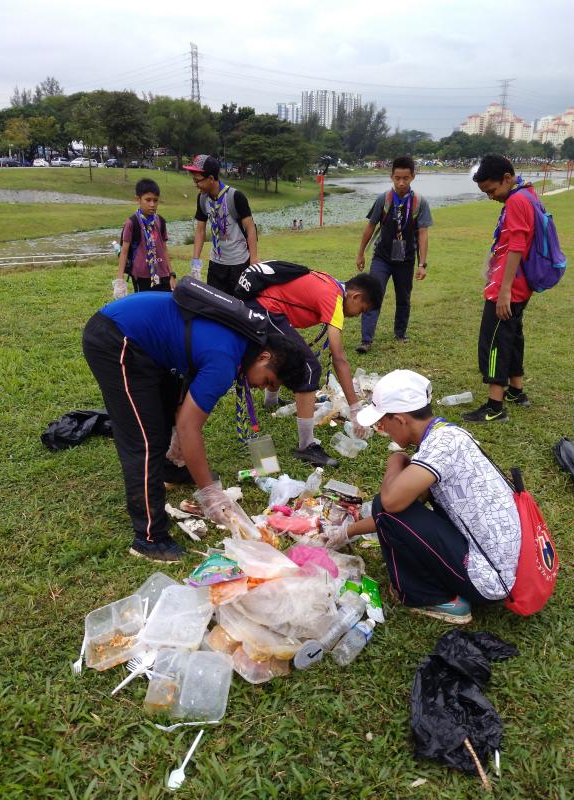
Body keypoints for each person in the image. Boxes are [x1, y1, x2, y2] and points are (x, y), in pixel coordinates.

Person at [82, 291, 305, 563]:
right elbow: (190, 427)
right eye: (268, 380)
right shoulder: (225, 358)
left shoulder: (242, 346)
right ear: (264, 357)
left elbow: (188, 403)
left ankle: (171, 471)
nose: (262, 388)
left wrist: (179, 434)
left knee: (163, 417)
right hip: (117, 338)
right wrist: (210, 494)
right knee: (145, 441)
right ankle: (149, 538)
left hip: (150, 346)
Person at [324, 370, 522, 624]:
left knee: (383, 504)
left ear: (400, 419)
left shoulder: (438, 450)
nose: (381, 429)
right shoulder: (446, 433)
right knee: (389, 507)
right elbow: (404, 513)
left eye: (382, 423)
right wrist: (347, 531)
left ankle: (431, 597)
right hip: (498, 565)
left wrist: (395, 460)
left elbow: (390, 505)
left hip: (489, 579)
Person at [248, 269, 383, 467]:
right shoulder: (335, 298)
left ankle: (271, 401)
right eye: (361, 310)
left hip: (265, 307)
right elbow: (339, 358)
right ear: (356, 296)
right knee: (308, 367)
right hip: (266, 309)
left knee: (286, 352)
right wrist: (355, 410)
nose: (357, 315)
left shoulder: (333, 285)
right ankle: (306, 446)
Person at [462, 154, 536, 423]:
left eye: (492, 190)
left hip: (508, 286)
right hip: (520, 283)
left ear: (507, 178)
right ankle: (517, 391)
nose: (491, 196)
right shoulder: (527, 193)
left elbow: (517, 245)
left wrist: (504, 291)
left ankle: (495, 406)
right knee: (513, 336)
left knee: (493, 341)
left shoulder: (516, 201)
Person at [355, 156, 433, 350]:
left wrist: (422, 264)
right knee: (373, 294)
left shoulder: (419, 202)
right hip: (382, 257)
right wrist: (360, 253)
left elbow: (423, 234)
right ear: (391, 177)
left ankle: (400, 334)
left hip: (406, 259)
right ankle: (366, 340)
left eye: (405, 178)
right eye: (397, 178)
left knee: (403, 297)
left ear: (413, 177)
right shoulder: (384, 199)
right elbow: (370, 227)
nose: (401, 183)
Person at [184, 154, 258, 295]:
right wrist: (195, 261)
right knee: (216, 305)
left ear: (211, 179)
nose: (196, 185)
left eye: (197, 181)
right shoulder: (202, 198)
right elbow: (200, 230)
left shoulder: (236, 197)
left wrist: (254, 258)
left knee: (239, 304)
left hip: (239, 262)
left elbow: (250, 227)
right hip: (216, 263)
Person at [112, 179, 175, 299]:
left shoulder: (160, 221)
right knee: (146, 307)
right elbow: (124, 251)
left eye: (155, 200)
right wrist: (120, 281)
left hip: (163, 274)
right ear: (138, 199)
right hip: (142, 276)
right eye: (148, 200)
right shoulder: (132, 223)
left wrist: (171, 274)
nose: (152, 204)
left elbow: (164, 249)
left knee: (164, 305)